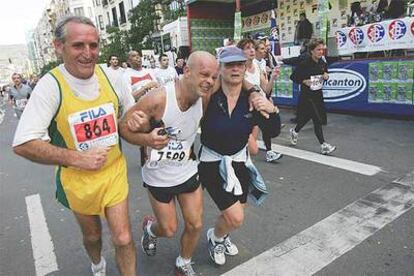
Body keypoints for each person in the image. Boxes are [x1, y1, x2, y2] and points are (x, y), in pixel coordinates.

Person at [12, 16, 137, 276]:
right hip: (78, 180)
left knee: (123, 238)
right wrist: (77, 158)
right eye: (79, 45)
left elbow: (131, 113)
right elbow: (23, 142)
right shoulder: (50, 86)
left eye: (94, 45)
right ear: (59, 47)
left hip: (113, 172)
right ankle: (97, 265)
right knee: (93, 237)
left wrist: (140, 122)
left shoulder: (112, 77)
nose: (88, 53)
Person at [119, 51, 218, 276]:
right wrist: (147, 139)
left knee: (195, 224)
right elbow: (123, 127)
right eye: (204, 75)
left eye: (213, 77)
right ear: (186, 71)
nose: (209, 81)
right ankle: (150, 229)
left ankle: (184, 262)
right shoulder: (159, 98)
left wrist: (253, 92)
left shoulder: (205, 96)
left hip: (187, 170)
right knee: (169, 228)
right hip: (158, 175)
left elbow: (237, 78)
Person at [199, 46, 280, 266]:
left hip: (239, 161)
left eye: (240, 64)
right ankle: (215, 238)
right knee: (235, 216)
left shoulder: (252, 98)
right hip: (212, 162)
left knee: (236, 215)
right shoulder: (208, 96)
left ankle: (222, 235)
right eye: (229, 65)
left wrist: (272, 110)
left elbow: (273, 131)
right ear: (220, 68)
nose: (235, 69)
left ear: (245, 68)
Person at [237, 38, 283, 163]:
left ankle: (268, 151)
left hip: (258, 106)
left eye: (252, 47)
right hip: (244, 108)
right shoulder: (238, 68)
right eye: (247, 48)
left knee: (269, 128)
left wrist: (272, 77)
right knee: (247, 143)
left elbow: (266, 89)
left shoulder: (257, 66)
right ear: (240, 52)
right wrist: (251, 92)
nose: (251, 50)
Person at [289, 38, 336, 155]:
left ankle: (295, 131)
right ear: (311, 51)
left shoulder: (322, 63)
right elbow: (293, 77)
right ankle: (323, 145)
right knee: (317, 120)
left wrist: (326, 75)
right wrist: (304, 81)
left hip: (318, 94)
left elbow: (325, 73)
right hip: (307, 95)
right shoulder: (304, 63)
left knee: (308, 117)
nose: (321, 52)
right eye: (318, 50)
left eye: (322, 49)